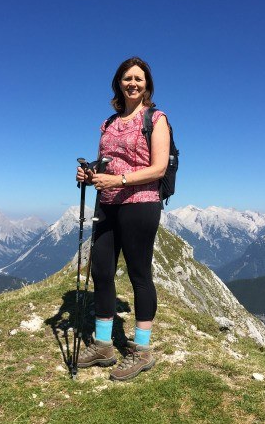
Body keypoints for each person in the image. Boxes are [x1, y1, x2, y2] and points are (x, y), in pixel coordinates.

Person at [75, 57, 170, 381]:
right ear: (119, 83)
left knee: (139, 274)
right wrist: (90, 175)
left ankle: (142, 350)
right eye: (127, 78)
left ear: (147, 85)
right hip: (108, 203)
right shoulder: (108, 123)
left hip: (140, 203)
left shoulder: (156, 119)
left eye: (138, 79)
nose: (132, 83)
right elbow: (106, 164)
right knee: (101, 271)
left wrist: (119, 181)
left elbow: (158, 168)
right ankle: (104, 345)